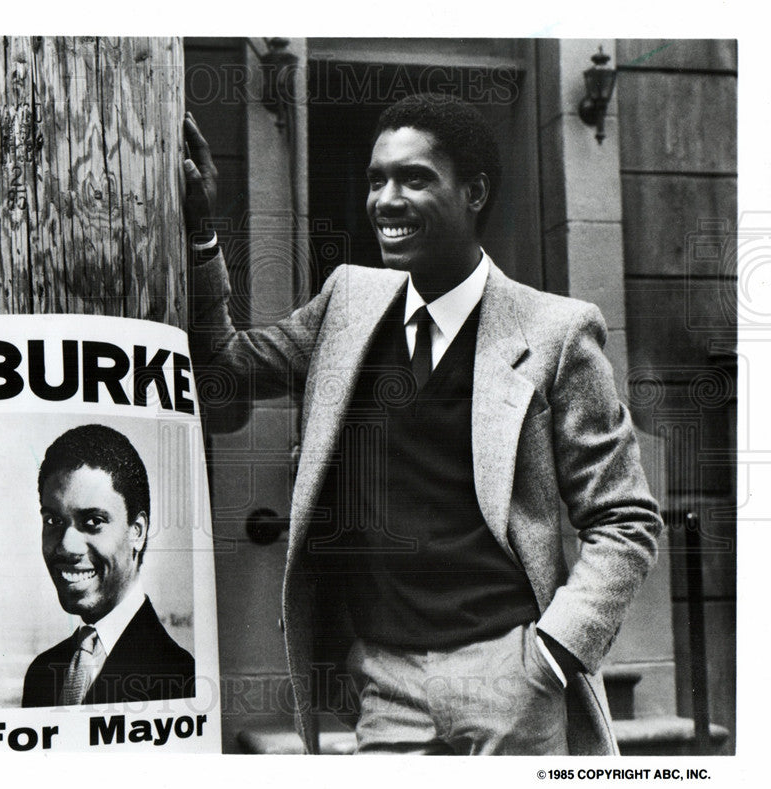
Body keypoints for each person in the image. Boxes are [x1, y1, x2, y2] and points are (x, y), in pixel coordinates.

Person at [182, 94, 662, 754]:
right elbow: (223, 376)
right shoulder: (347, 304)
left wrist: (553, 651)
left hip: (510, 676)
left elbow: (626, 518)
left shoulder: (556, 332)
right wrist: (202, 236)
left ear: (474, 191)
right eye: (377, 179)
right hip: (387, 682)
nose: (386, 199)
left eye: (414, 178)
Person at [21, 424, 195, 707]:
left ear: (136, 531)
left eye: (93, 522)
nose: (66, 546)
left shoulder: (182, 678)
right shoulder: (42, 673)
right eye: (53, 521)